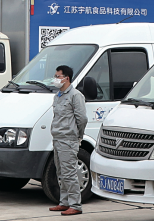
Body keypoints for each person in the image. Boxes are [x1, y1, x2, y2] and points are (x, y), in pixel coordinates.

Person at [48, 65, 87, 216]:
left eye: (58, 76)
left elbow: (82, 119)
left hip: (68, 139)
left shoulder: (75, 95)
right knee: (61, 172)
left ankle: (75, 205)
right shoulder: (58, 96)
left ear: (67, 78)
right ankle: (64, 203)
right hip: (57, 138)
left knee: (69, 173)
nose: (55, 79)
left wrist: (78, 135)